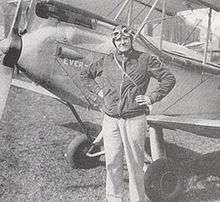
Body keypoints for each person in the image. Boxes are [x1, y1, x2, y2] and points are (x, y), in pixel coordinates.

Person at [80, 25, 176, 202]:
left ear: (131, 40)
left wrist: (152, 97)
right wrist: (99, 91)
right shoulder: (107, 60)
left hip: (134, 120)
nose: (122, 42)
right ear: (114, 41)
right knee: (112, 163)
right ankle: (114, 199)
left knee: (134, 166)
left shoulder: (145, 59)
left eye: (126, 39)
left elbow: (169, 78)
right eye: (118, 39)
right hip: (110, 120)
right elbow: (85, 75)